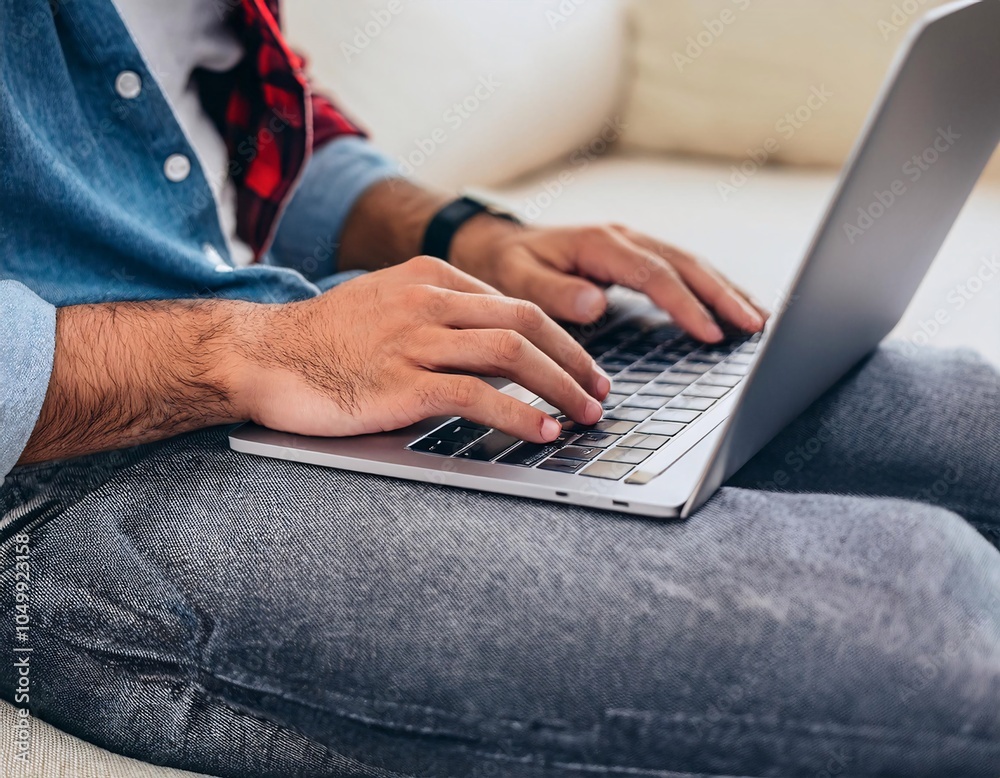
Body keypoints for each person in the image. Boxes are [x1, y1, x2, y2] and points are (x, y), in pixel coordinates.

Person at [1, 1, 997, 776]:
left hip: (289, 319)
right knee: (931, 627)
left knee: (972, 425)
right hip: (68, 461)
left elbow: (218, 137)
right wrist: (246, 350)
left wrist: (469, 236)